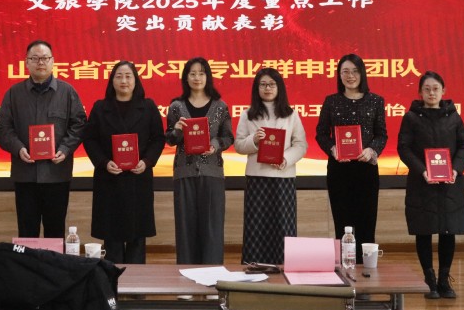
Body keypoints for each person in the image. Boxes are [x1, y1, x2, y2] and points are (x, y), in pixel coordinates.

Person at [0, 40, 87, 238]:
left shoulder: (67, 92)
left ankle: (53, 260)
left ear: (53, 61)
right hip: (25, 174)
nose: (40, 63)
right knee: (27, 232)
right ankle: (30, 260)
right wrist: (18, 148)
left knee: (55, 231)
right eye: (35, 58)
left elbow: (79, 125)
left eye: (45, 58)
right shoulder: (14, 94)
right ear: (26, 62)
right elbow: (3, 129)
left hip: (57, 174)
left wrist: (65, 148)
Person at [397, 71, 464, 299]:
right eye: (427, 89)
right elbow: (404, 148)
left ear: (443, 91)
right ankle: (429, 280)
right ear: (420, 92)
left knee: (448, 230)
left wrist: (456, 169)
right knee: (424, 230)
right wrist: (423, 170)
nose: (431, 93)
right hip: (422, 183)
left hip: (450, 184)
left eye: (436, 89)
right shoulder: (411, 117)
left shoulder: (454, 117)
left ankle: (444, 280)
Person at [84, 61, 165, 264]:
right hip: (109, 178)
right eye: (119, 76)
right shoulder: (100, 108)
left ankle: (137, 281)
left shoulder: (148, 107)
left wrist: (147, 161)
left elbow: (158, 139)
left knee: (137, 237)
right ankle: (112, 279)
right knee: (111, 236)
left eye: (128, 76)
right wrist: (103, 162)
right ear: (112, 81)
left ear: (135, 80)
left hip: (138, 178)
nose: (124, 80)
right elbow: (90, 139)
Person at [315, 54, 387, 263]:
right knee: (342, 223)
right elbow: (321, 133)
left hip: (366, 170)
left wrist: (372, 150)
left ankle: (366, 268)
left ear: (362, 73)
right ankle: (344, 269)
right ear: (339, 75)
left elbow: (381, 135)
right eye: (345, 71)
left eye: (355, 71)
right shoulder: (331, 101)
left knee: (366, 222)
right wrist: (332, 148)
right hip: (339, 170)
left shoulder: (375, 101)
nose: (350, 76)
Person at [234, 68, 308, 265]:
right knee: (256, 227)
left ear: (279, 87)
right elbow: (239, 146)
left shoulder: (291, 115)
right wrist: (254, 140)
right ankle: (254, 268)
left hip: (283, 178)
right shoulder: (248, 115)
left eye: (272, 84)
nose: (267, 88)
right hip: (257, 178)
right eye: (263, 84)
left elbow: (301, 145)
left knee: (284, 226)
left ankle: (285, 267)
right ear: (257, 88)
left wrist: (286, 158)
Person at [166, 57, 234, 264]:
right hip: (184, 173)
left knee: (212, 228)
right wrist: (177, 130)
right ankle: (186, 275)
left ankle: (212, 276)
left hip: (212, 173)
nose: (197, 77)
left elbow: (228, 137)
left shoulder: (220, 106)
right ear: (186, 77)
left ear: (208, 77)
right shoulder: (176, 107)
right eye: (193, 73)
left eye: (201, 73)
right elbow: (170, 139)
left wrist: (215, 144)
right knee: (185, 227)